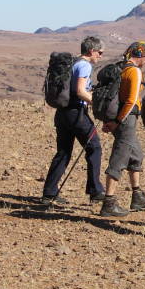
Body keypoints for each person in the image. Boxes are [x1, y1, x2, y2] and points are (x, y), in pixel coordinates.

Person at [41, 36, 106, 205]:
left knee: (63, 152)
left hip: (62, 113)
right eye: (100, 52)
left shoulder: (72, 63)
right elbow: (80, 91)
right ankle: (96, 191)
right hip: (76, 113)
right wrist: (97, 103)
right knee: (95, 147)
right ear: (91, 51)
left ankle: (49, 192)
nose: (101, 56)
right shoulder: (84, 65)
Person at [98, 41, 145, 217]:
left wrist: (113, 120)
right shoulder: (134, 71)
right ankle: (108, 202)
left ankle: (137, 196)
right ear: (140, 55)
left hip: (119, 118)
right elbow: (131, 101)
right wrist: (117, 121)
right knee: (119, 158)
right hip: (125, 120)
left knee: (136, 155)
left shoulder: (120, 68)